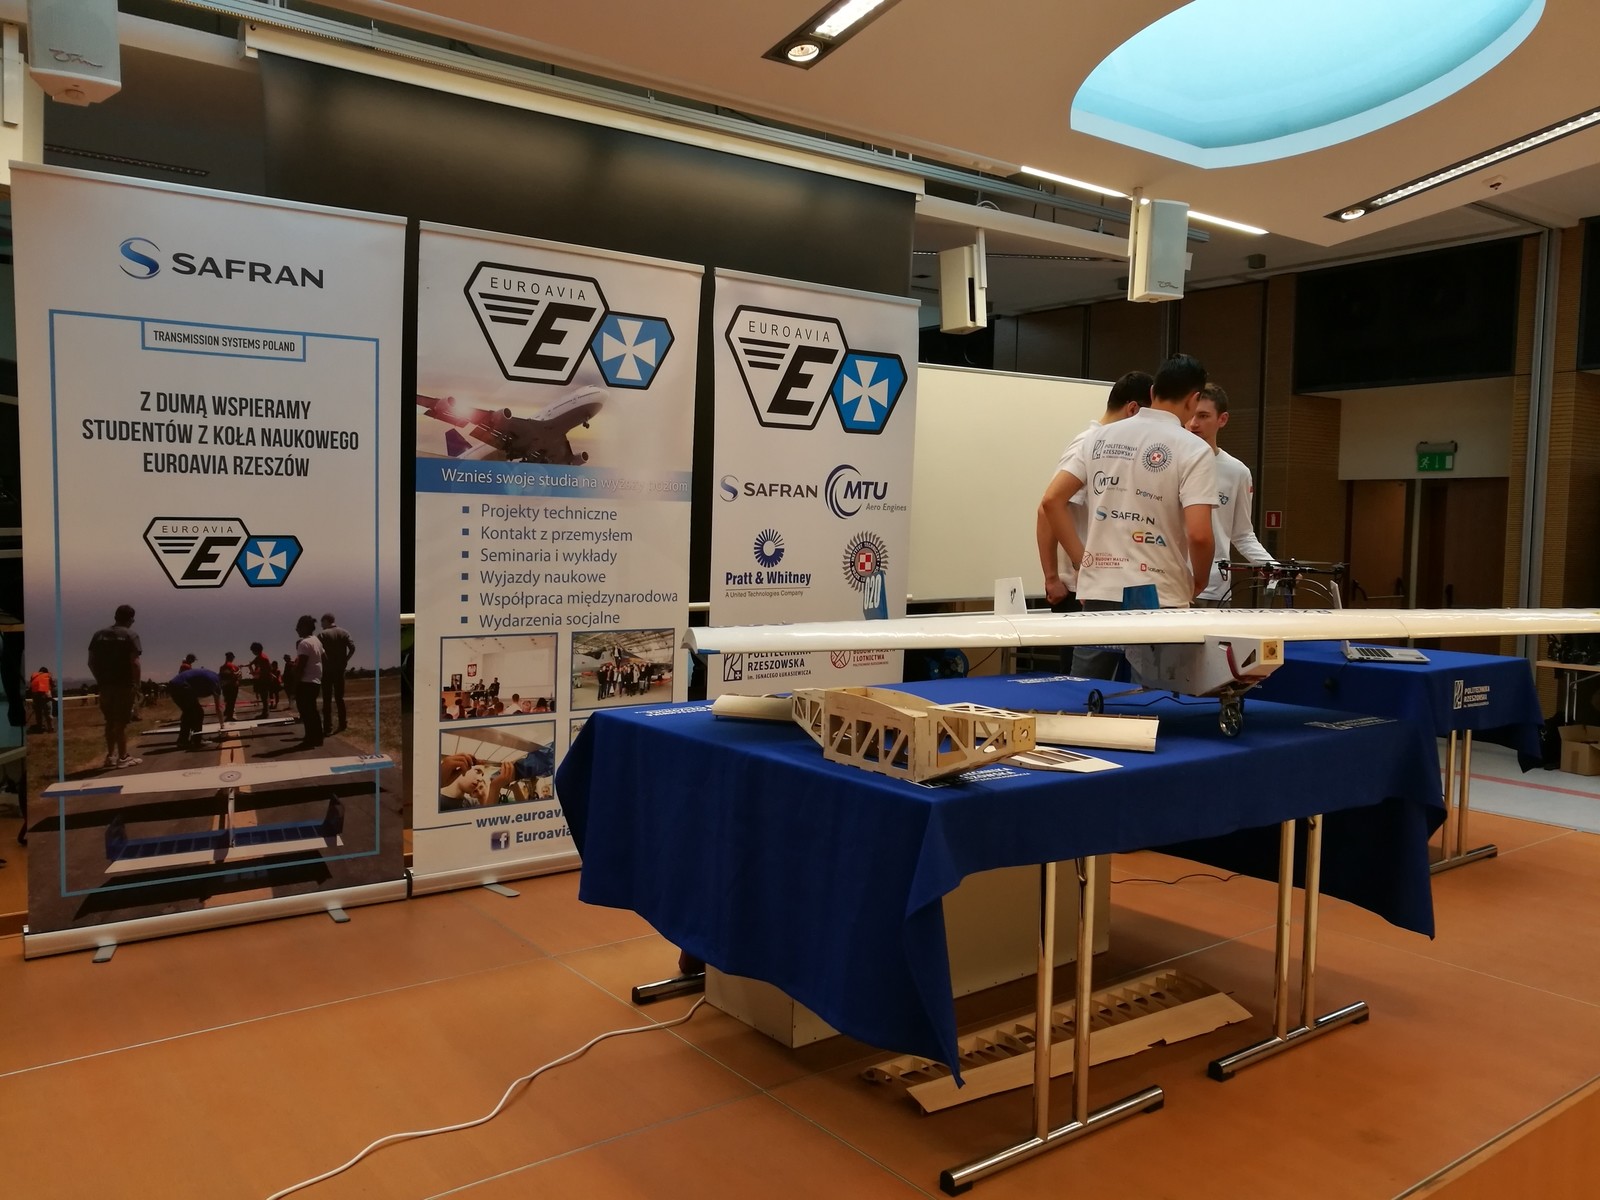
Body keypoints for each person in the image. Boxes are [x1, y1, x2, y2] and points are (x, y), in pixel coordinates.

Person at [1047, 353, 1217, 676]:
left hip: (1102, 587)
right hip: (1161, 591)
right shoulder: (1194, 449)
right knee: (1155, 692)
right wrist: (1200, 578)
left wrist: (1084, 562)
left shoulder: (1099, 437)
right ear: (1193, 399)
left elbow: (1052, 501)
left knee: (1086, 688)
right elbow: (1199, 534)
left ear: (1152, 392)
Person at [1036, 371, 1152, 676]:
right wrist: (1055, 576)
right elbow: (1048, 507)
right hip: (1080, 590)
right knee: (1080, 683)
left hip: (1104, 585)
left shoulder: (1112, 446)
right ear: (1133, 409)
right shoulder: (1089, 443)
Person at [1186, 383, 1277, 605]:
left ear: (1222, 419)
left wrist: (1273, 567)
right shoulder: (1168, 461)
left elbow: (1242, 534)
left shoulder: (1237, 472)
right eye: (1190, 415)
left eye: (1203, 416)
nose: (1194, 423)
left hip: (1214, 590)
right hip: (1170, 586)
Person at [87, 604, 143, 769]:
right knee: (121, 722)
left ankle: (110, 756)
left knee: (109, 721)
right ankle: (123, 757)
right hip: (124, 684)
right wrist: (137, 685)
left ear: (115, 617)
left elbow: (91, 662)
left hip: (105, 685)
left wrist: (100, 680)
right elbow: (135, 663)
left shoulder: (98, 635)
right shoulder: (130, 635)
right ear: (131, 619)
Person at [167, 663, 223, 751]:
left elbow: (195, 687)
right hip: (182, 686)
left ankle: (184, 741)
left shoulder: (213, 676)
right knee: (198, 713)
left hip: (174, 685)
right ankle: (196, 740)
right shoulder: (216, 682)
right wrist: (222, 725)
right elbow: (218, 708)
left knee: (189, 713)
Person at [317, 613, 356, 734]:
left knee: (327, 699)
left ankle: (327, 727)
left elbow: (318, 651)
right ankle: (342, 724)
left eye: (322, 622)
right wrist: (346, 659)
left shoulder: (322, 634)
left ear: (326, 621)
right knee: (340, 698)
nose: (321, 625)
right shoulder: (344, 632)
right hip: (340, 670)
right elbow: (352, 648)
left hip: (327, 670)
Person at [292, 614, 325, 750]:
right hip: (316, 681)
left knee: (306, 712)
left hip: (305, 682)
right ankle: (318, 738)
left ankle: (310, 739)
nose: (296, 629)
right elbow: (325, 658)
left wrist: (295, 685)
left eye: (298, 627)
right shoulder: (317, 641)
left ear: (305, 627)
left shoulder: (304, 643)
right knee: (313, 711)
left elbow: (301, 666)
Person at [27, 665, 54, 733]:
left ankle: (39, 728)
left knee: (38, 714)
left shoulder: (34, 676)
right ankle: (50, 729)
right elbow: (52, 685)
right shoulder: (47, 676)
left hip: (36, 697)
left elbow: (31, 687)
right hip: (46, 696)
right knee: (48, 714)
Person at [248, 642, 273, 717]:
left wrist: (256, 673)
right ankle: (265, 712)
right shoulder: (259, 657)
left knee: (264, 696)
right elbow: (253, 662)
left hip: (265, 679)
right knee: (263, 696)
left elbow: (268, 669)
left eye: (253, 650)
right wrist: (249, 665)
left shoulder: (263, 658)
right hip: (261, 679)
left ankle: (265, 713)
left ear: (256, 650)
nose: (252, 652)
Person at [218, 652, 241, 722]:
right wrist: (239, 671)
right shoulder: (233, 666)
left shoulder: (222, 667)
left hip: (225, 686)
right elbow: (236, 675)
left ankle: (228, 713)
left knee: (227, 700)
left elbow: (220, 677)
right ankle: (230, 716)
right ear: (231, 658)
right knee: (232, 701)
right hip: (232, 686)